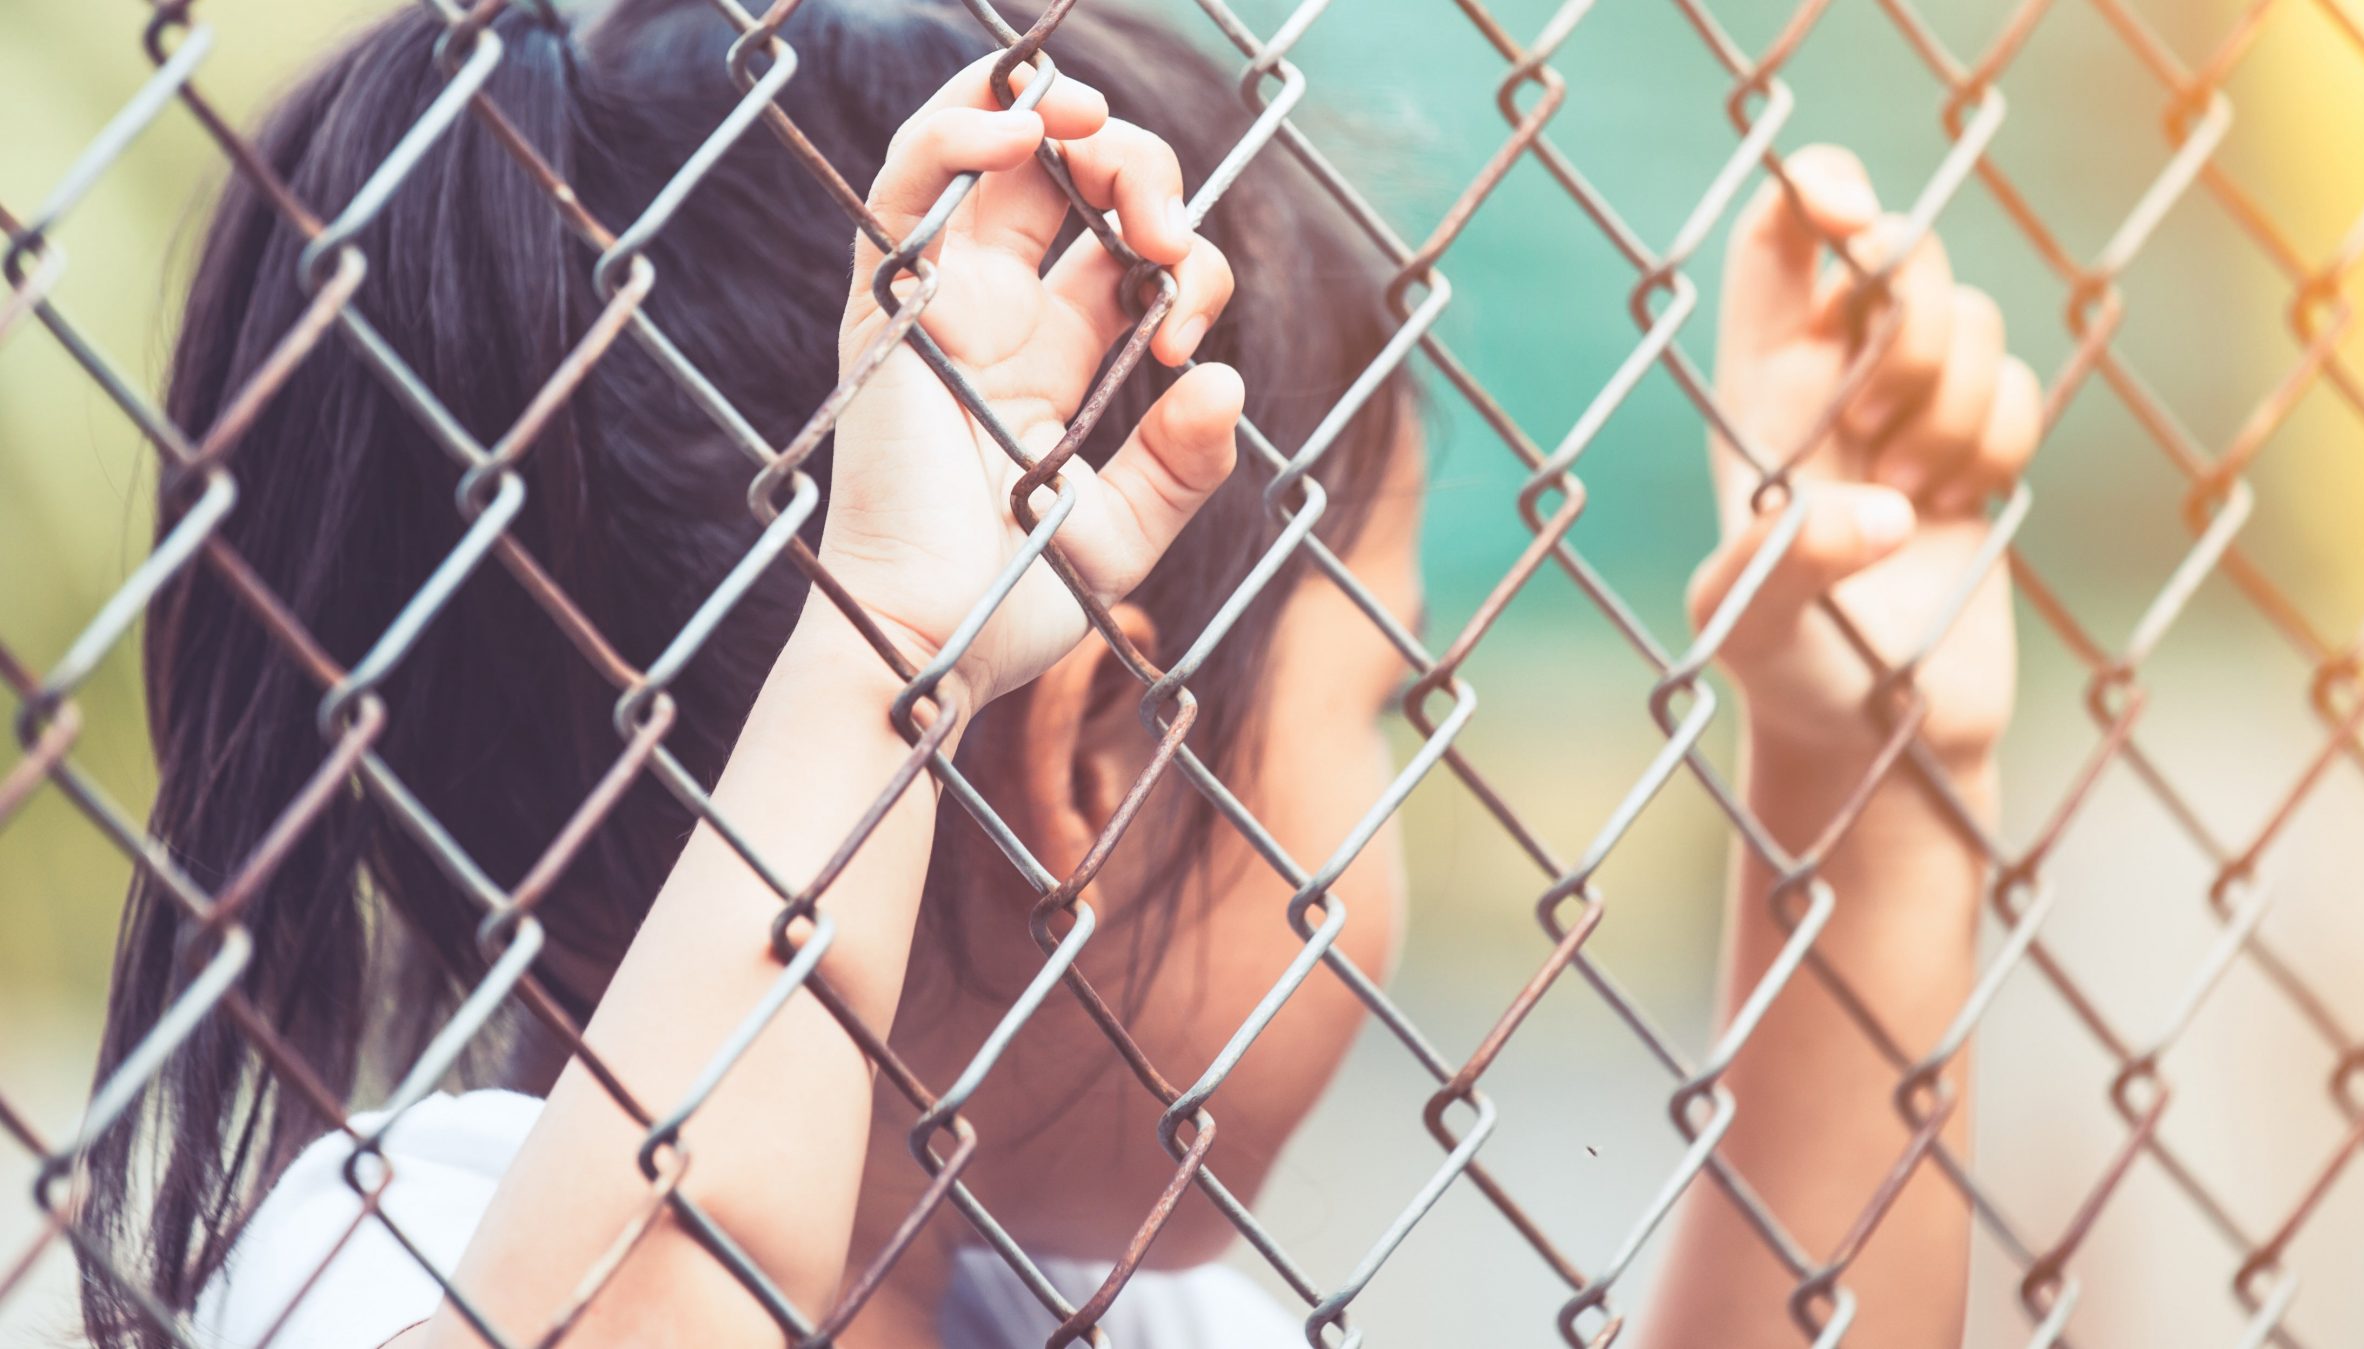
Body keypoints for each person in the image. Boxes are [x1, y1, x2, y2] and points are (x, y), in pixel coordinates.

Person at [79, 1, 2042, 1345]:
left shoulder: (1087, 1304)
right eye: (1371, 710)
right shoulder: (427, 1242)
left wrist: (1863, 800)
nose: (1387, 836)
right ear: (1087, 762)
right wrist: (886, 650)